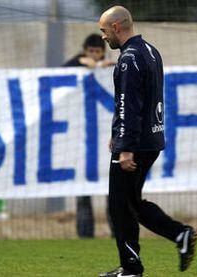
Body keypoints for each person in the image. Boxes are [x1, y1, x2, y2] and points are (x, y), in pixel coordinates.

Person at [97, 6, 197, 277]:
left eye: (104, 31)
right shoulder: (151, 51)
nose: (104, 38)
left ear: (117, 27)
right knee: (131, 202)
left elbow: (129, 104)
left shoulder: (128, 58)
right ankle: (180, 235)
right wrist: (119, 134)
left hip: (135, 144)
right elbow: (143, 100)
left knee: (120, 207)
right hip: (151, 138)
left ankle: (131, 268)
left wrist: (125, 145)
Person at [63, 33, 115, 238]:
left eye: (97, 52)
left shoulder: (112, 68)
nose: (93, 56)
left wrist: (103, 68)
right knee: (83, 192)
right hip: (81, 140)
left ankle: (117, 233)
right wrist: (79, 63)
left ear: (103, 53)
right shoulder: (74, 65)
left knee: (113, 193)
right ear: (84, 51)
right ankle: (85, 237)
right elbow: (55, 76)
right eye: (90, 52)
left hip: (106, 138)